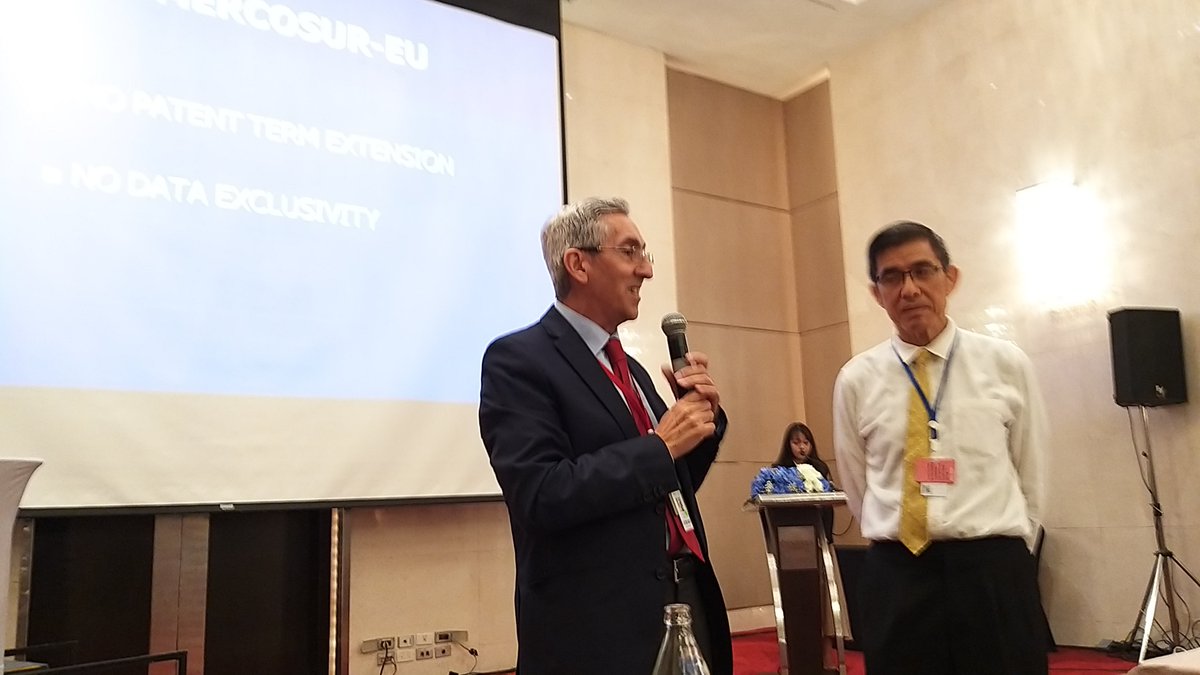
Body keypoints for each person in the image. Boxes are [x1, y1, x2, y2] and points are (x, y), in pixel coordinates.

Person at [479, 197, 733, 675]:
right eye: (630, 251)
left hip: (682, 597)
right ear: (578, 264)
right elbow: (541, 494)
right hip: (595, 627)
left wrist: (702, 422)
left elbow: (667, 486)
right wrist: (660, 446)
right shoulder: (520, 360)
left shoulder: (631, 369)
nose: (646, 271)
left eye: (644, 254)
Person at [831, 220, 1048, 675]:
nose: (909, 288)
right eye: (892, 277)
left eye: (922, 271)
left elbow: (1031, 469)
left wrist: (1007, 552)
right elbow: (857, 482)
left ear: (950, 278)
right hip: (899, 575)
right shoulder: (856, 378)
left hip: (992, 571)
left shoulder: (1005, 364)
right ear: (877, 293)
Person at [772, 421, 835, 540]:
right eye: (796, 443)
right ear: (788, 445)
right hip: (790, 522)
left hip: (818, 518)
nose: (802, 447)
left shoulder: (820, 467)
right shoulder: (779, 470)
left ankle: (825, 540)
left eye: (806, 443)